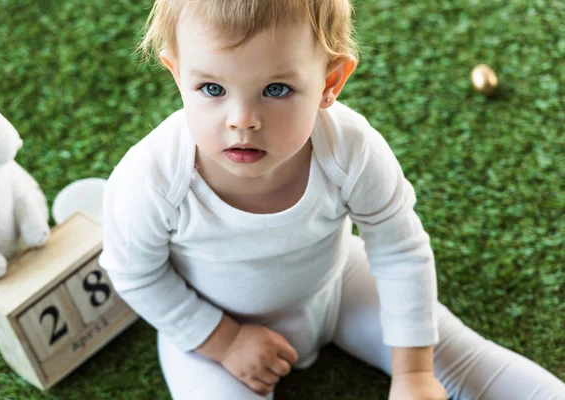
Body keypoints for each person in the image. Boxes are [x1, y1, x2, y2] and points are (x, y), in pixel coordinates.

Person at [98, 1, 565, 399]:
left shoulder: (350, 148)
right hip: (210, 323)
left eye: (276, 89)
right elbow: (132, 272)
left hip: (338, 287)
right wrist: (223, 341)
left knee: (463, 361)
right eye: (212, 89)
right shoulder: (154, 178)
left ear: (330, 82)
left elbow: (399, 248)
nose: (242, 120)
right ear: (177, 75)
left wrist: (415, 373)